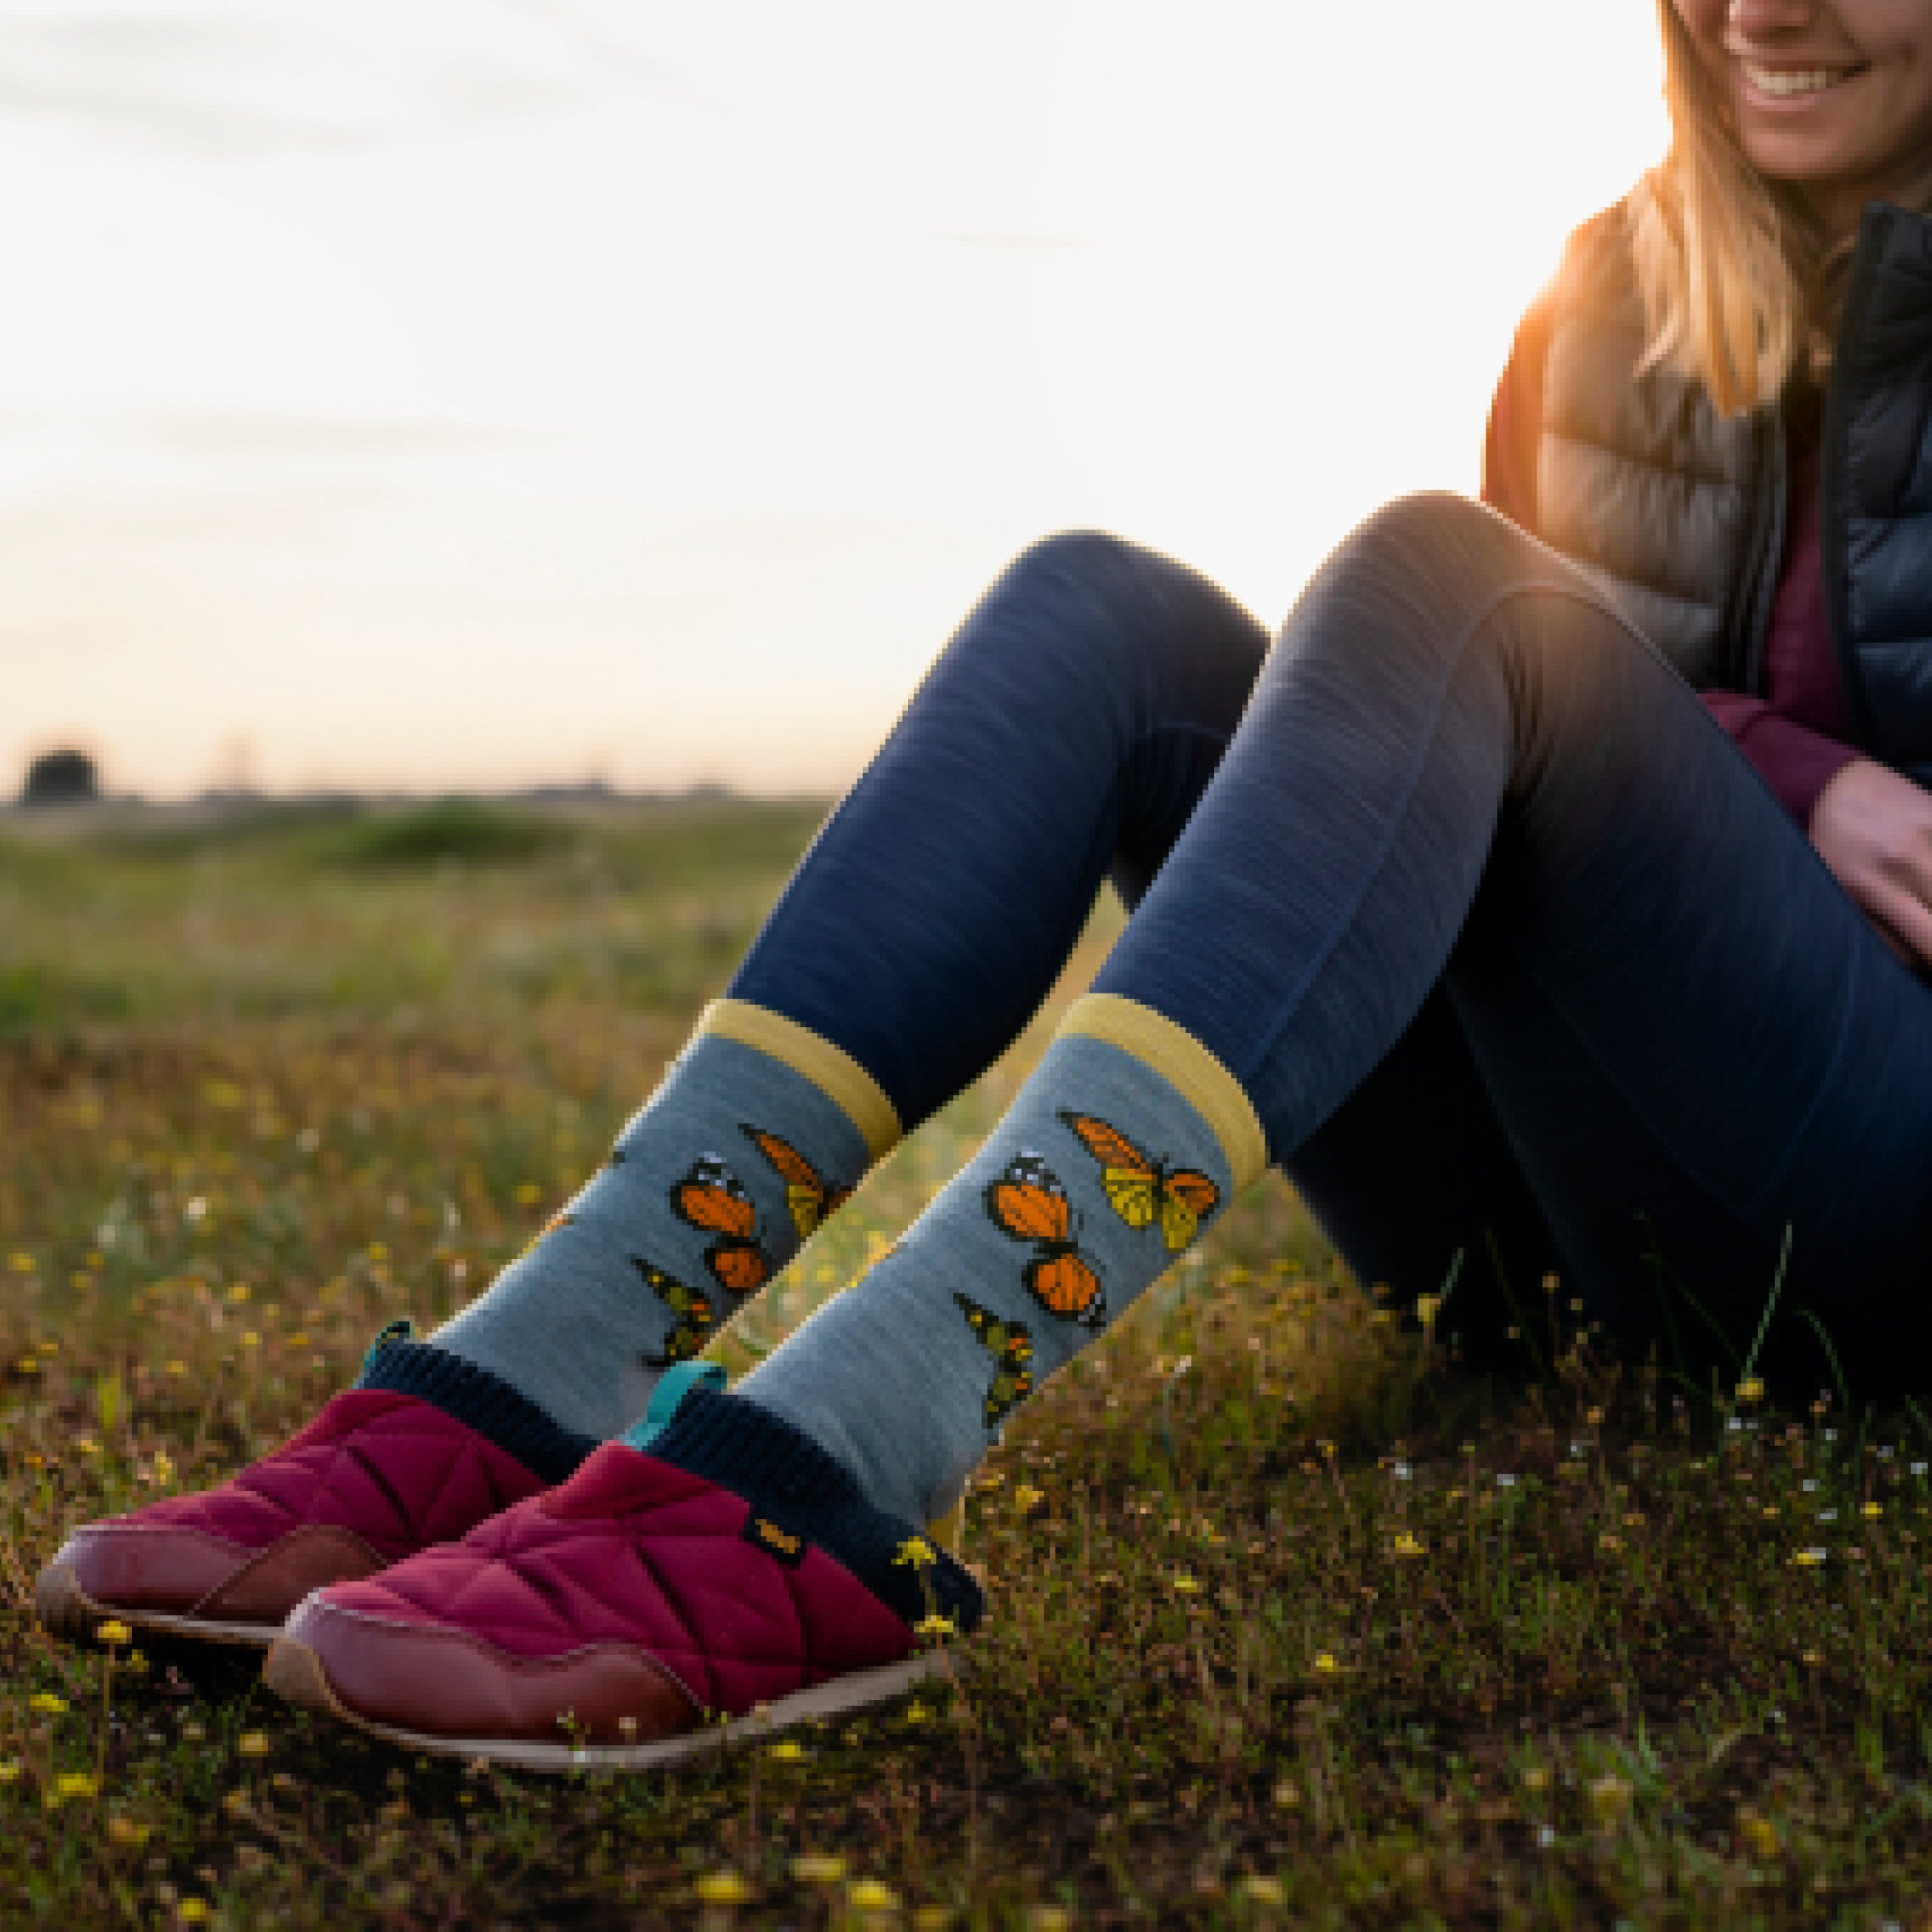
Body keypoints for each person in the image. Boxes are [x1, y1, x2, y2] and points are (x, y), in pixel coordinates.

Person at [34, 0, 1932, 1767]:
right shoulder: (1604, 291)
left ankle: (839, 1463)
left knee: (1449, 574)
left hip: (1876, 1206)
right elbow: (1570, 737)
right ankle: (543, 1369)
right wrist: (1783, 768)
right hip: (1537, 1219)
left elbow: (1534, 653)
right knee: (1095, 611)